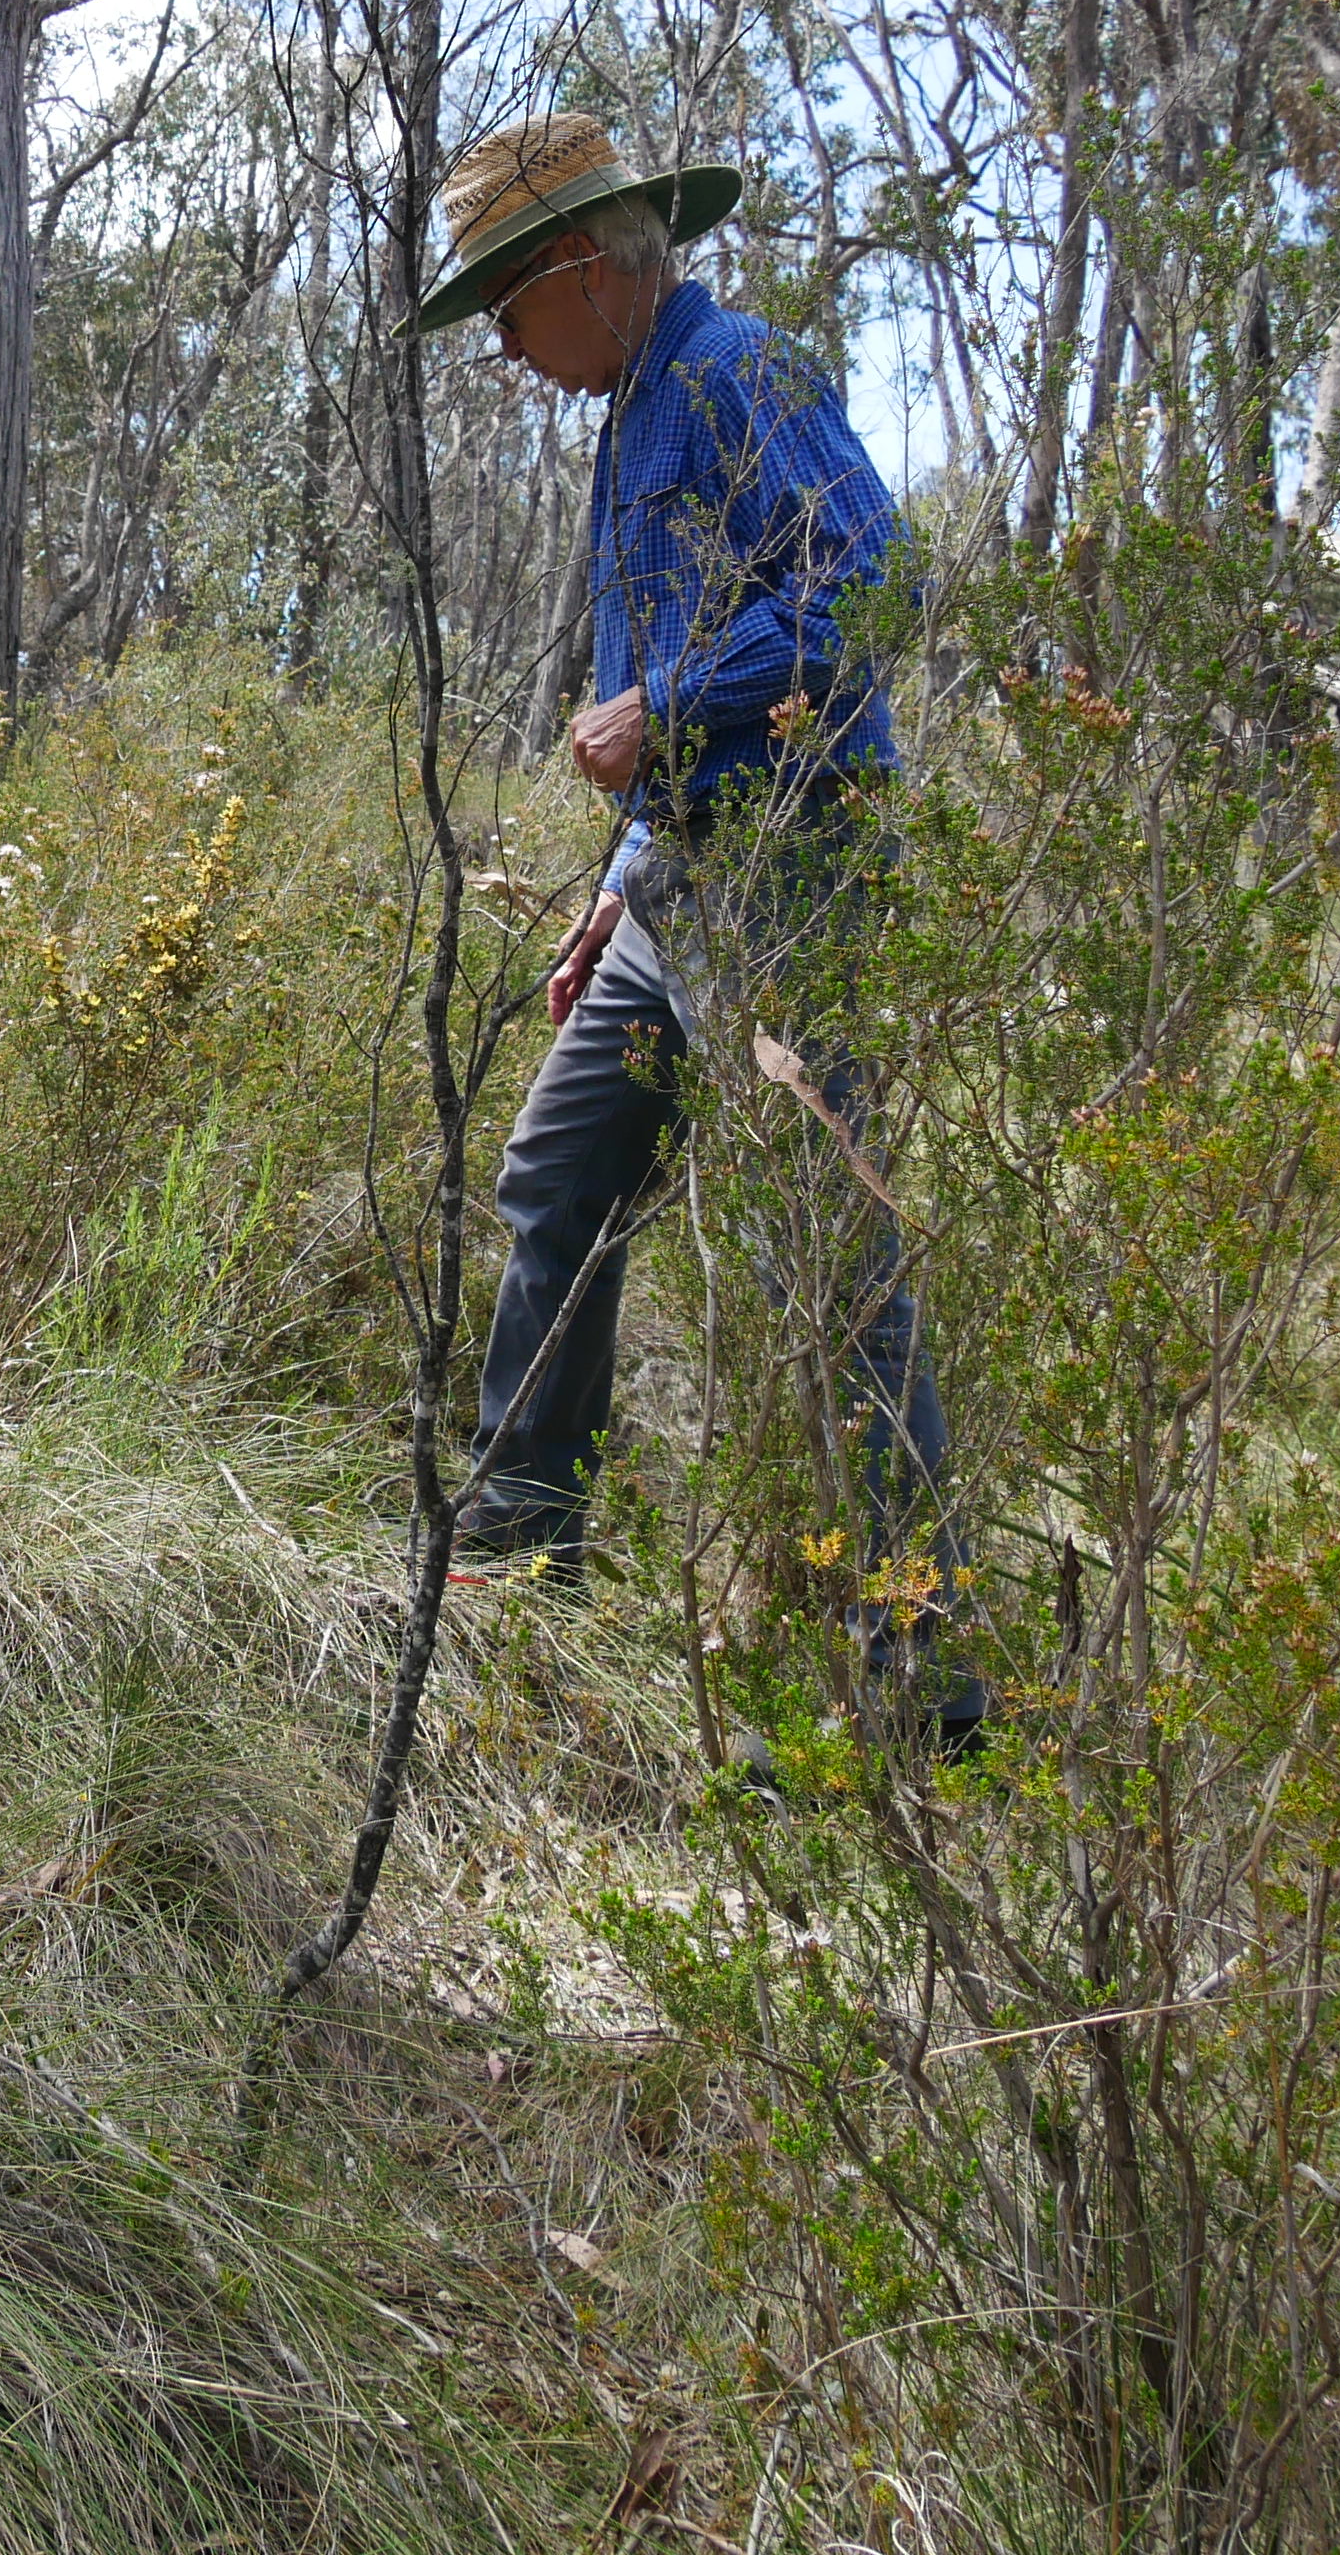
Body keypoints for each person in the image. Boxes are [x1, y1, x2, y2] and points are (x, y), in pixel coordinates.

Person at [409, 117, 964, 1725]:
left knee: (828, 1261)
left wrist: (665, 708)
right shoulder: (632, 413)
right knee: (559, 1169)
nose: (508, 352)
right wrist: (616, 890)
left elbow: (878, 585)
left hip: (798, 872)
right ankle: (524, 1543)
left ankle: (927, 1672)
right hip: (685, 877)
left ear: (582, 269)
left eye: (509, 314)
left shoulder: (735, 377)